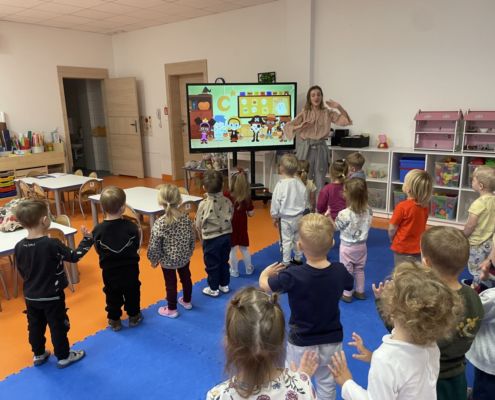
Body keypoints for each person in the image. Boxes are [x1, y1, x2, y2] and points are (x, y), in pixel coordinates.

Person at [330, 261, 464, 400]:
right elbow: (407, 373)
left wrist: (347, 383)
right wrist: (373, 357)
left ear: (392, 310)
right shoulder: (431, 346)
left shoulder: (386, 360)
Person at [260, 213, 354, 400]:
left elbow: (265, 286)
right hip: (332, 339)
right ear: (332, 243)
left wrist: (265, 273)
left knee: (295, 379)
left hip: (301, 341)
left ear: (299, 246)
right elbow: (349, 284)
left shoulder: (293, 275)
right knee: (327, 382)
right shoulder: (339, 271)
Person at [14, 199, 92, 368]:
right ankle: (64, 357)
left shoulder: (19, 246)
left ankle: (38, 354)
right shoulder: (52, 244)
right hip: (52, 296)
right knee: (58, 327)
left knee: (35, 326)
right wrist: (87, 240)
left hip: (31, 297)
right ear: (44, 220)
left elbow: (21, 271)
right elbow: (74, 256)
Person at [206, 287, 319, 399]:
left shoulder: (218, 395)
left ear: (228, 342)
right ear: (280, 340)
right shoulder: (302, 387)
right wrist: (301, 379)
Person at [420, 226, 483, 400]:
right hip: (458, 372)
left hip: (429, 375)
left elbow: (407, 332)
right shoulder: (472, 295)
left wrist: (382, 306)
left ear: (427, 263)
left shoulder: (428, 299)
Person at [91, 186, 143, 331]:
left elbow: (98, 250)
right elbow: (136, 245)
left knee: (112, 293)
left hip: (109, 270)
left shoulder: (97, 230)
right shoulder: (131, 227)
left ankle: (114, 320)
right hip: (130, 268)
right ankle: (134, 316)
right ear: (123, 208)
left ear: (102, 208)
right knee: (132, 291)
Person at [283, 85, 352, 193]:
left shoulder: (327, 113)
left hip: (321, 148)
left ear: (321, 97)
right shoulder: (305, 113)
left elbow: (346, 121)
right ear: (309, 98)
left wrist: (339, 107)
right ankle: (305, 203)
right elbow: (288, 127)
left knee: (320, 179)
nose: (316, 97)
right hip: (306, 148)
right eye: (313, 95)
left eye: (318, 95)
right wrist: (300, 126)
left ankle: (319, 203)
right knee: (304, 179)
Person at [147, 184, 195, 318]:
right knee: (186, 278)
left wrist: (153, 260)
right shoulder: (186, 219)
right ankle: (187, 301)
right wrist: (189, 252)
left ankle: (172, 309)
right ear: (179, 200)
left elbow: (154, 245)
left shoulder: (160, 223)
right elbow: (192, 237)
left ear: (160, 202)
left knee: (170, 284)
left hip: (167, 261)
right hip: (184, 258)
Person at [328, 178, 372, 302]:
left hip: (347, 247)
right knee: (359, 269)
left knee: (347, 270)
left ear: (347, 195)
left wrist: (329, 217)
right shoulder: (369, 210)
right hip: (362, 246)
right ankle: (360, 291)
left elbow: (335, 227)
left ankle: (347, 293)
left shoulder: (344, 213)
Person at [195, 169, 233, 297]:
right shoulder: (227, 201)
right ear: (222, 185)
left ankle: (213, 288)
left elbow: (198, 223)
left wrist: (201, 236)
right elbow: (231, 215)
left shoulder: (203, 204)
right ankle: (224, 285)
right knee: (224, 261)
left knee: (212, 264)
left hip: (211, 239)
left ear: (204, 187)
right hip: (226, 236)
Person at [388, 169, 432, 265]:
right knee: (415, 271)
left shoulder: (402, 206)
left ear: (408, 189)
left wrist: (391, 239)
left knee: (402, 271)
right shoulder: (425, 206)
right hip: (419, 247)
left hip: (402, 247)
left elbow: (392, 228)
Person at [270, 153, 306, 266]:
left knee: (286, 240)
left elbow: (275, 202)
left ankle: (286, 261)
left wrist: (274, 216)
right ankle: (298, 257)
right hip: (299, 217)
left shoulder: (280, 185)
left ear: (281, 168)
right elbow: (304, 198)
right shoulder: (299, 183)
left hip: (285, 219)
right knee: (297, 238)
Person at [463, 165, 495, 290]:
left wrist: (463, 235)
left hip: (476, 243)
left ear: (480, 186)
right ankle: (485, 284)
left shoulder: (478, 204)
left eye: (473, 180)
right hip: (490, 242)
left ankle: (475, 287)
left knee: (476, 268)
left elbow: (471, 225)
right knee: (486, 265)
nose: (472, 182)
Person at [224, 168, 255, 277]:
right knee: (244, 248)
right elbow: (251, 213)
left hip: (230, 226)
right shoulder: (246, 196)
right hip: (242, 226)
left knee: (232, 249)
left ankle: (234, 271)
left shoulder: (226, 194)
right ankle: (249, 268)